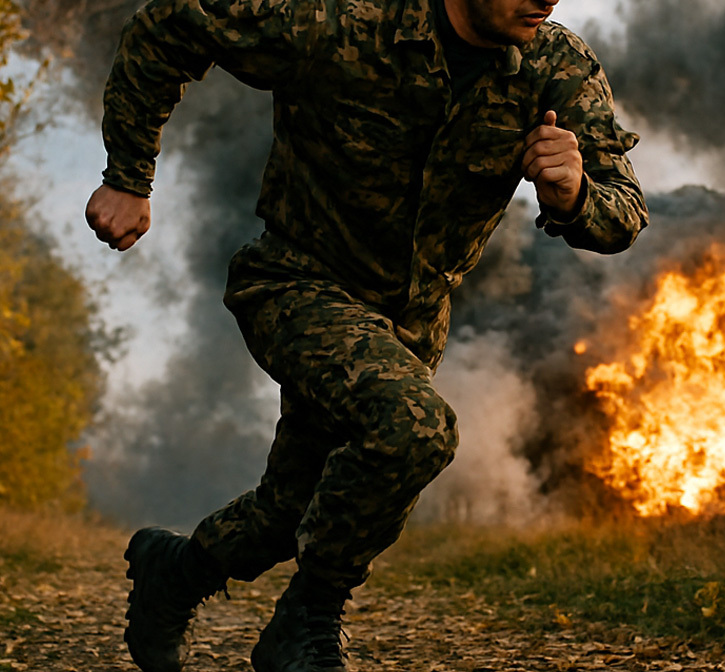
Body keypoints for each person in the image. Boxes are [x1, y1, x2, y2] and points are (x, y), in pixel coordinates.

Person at [84, 0, 648, 670]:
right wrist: (127, 176)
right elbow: (173, 23)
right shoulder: (338, 17)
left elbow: (624, 209)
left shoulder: (558, 65)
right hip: (296, 282)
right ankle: (308, 620)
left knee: (293, 508)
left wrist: (575, 194)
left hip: (409, 321)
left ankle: (174, 573)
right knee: (414, 428)